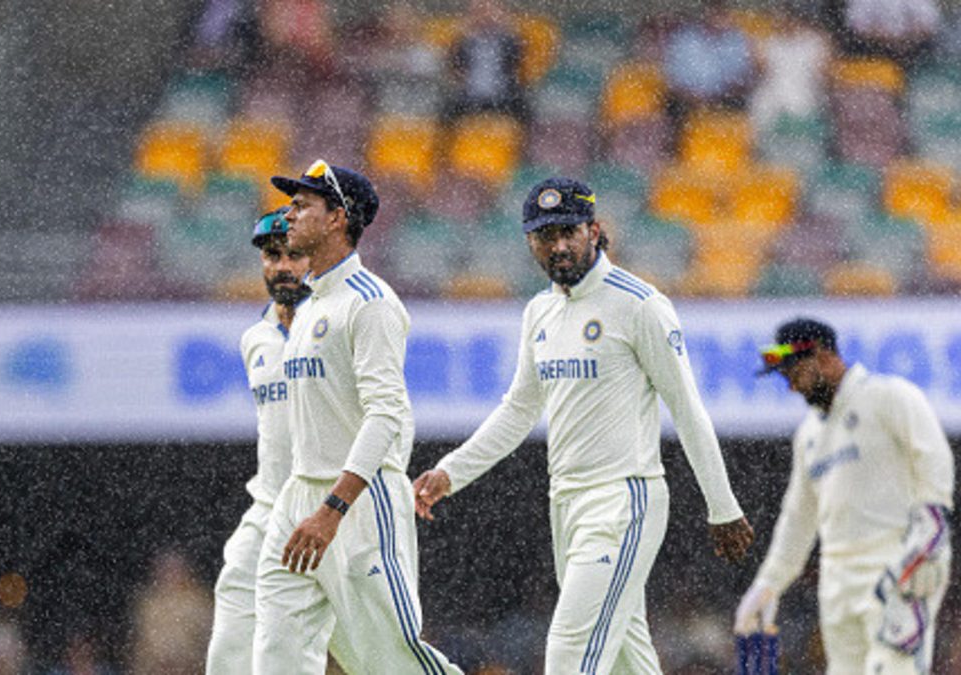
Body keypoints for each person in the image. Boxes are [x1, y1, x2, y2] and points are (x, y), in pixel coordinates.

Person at [413, 176, 754, 674]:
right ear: (530, 241)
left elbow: (686, 407)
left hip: (623, 500)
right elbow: (518, 410)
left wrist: (722, 506)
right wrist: (450, 472)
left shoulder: (639, 304)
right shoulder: (540, 311)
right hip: (566, 504)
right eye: (543, 236)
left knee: (570, 653)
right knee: (625, 656)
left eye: (567, 232)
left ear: (594, 230)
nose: (557, 245)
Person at [252, 159, 461, 674]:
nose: (289, 216)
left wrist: (332, 510)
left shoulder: (371, 304)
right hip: (299, 498)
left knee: (388, 661)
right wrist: (307, 504)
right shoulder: (308, 307)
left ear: (337, 219)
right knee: (276, 654)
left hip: (360, 503)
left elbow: (387, 414)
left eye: (302, 206)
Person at [734, 318, 954, 674]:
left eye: (794, 375)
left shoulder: (888, 397)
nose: (792, 389)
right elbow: (798, 518)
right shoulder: (808, 433)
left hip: (896, 564)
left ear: (821, 356)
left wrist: (927, 542)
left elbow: (934, 462)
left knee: (893, 668)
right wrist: (768, 584)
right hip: (837, 578)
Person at [206, 206, 318, 672]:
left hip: (334, 507)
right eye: (273, 255)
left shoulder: (340, 322)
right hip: (272, 506)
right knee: (233, 633)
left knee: (378, 649)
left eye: (295, 255)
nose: (283, 266)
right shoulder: (255, 338)